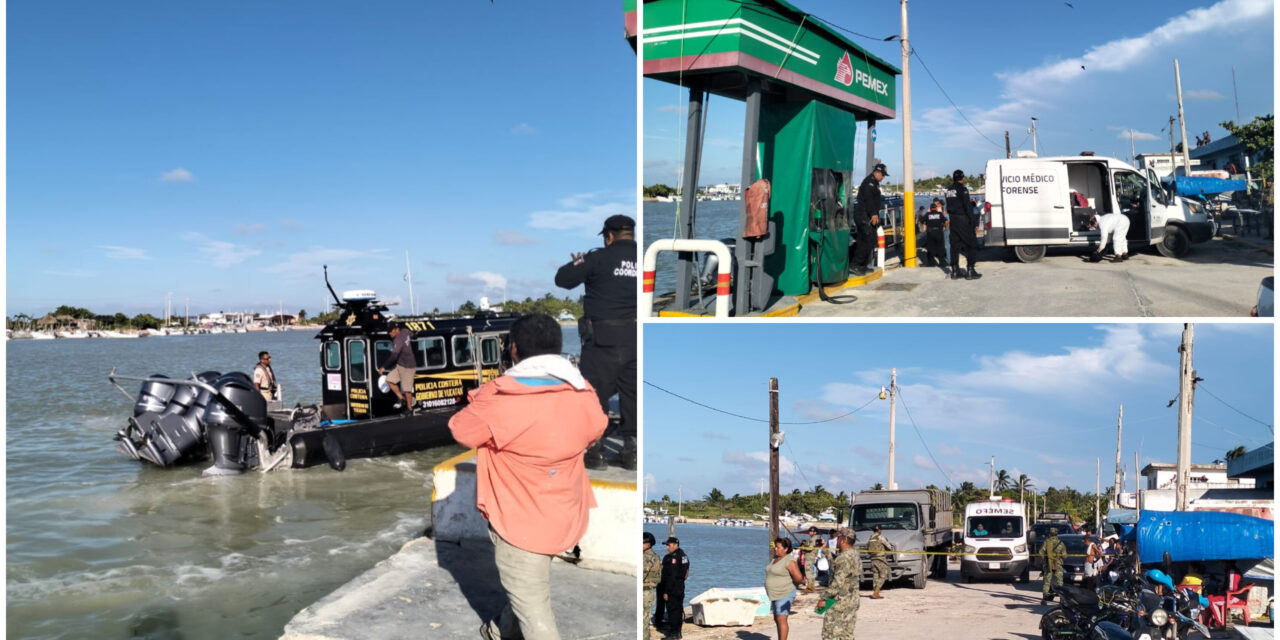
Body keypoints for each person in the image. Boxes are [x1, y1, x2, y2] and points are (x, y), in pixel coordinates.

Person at [447, 313, 609, 640]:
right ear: (558, 348)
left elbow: (460, 429)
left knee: (536, 613)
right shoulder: (584, 392)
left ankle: (502, 629)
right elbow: (596, 430)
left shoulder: (501, 397)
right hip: (565, 511)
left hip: (520, 521)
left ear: (514, 350)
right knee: (528, 590)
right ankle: (498, 630)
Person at [555, 214, 637, 471]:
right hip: (636, 339)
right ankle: (631, 453)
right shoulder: (644, 257)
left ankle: (596, 453)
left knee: (592, 396)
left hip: (602, 342)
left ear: (608, 236)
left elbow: (562, 279)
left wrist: (579, 260)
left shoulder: (597, 258)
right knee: (632, 397)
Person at [821, 527, 862, 640]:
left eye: (838, 538)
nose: (836, 540)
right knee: (846, 634)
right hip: (851, 600)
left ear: (843, 540)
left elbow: (837, 583)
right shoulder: (854, 555)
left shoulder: (844, 558)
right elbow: (837, 566)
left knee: (830, 634)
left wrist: (824, 598)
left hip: (839, 602)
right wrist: (825, 551)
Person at [851, 163, 888, 276]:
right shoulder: (869, 183)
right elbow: (869, 199)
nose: (883, 177)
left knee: (863, 240)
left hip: (865, 215)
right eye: (882, 175)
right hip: (864, 215)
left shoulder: (873, 182)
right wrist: (873, 214)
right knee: (869, 240)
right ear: (877, 173)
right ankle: (855, 264)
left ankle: (861, 265)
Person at [945, 169, 982, 280]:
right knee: (971, 244)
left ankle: (955, 271)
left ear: (953, 178)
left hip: (953, 220)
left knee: (954, 246)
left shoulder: (948, 190)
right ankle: (970, 270)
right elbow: (968, 207)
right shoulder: (963, 189)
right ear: (962, 178)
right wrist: (974, 222)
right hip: (963, 219)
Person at [766, 538, 805, 640]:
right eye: (775, 546)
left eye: (778, 547)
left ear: (786, 549)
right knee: (777, 618)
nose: (775, 549)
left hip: (785, 593)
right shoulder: (775, 558)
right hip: (774, 594)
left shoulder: (789, 560)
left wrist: (793, 586)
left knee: (781, 618)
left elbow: (798, 578)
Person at [376, 324, 416, 412]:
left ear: (396, 330)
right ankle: (402, 399)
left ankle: (409, 409)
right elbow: (413, 335)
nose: (389, 334)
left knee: (407, 390)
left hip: (408, 367)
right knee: (389, 380)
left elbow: (394, 356)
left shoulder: (397, 339)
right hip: (400, 365)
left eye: (390, 332)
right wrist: (415, 334)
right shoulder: (405, 331)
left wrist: (383, 367)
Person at [660, 536, 690, 640]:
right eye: (667, 545)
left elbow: (671, 576)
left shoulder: (673, 558)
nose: (667, 547)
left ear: (676, 545)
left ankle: (674, 633)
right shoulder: (683, 555)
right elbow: (686, 573)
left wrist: (666, 591)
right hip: (680, 586)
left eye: (669, 545)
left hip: (672, 587)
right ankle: (678, 632)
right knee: (678, 609)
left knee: (672, 610)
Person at [921, 198, 949, 271]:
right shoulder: (939, 214)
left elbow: (921, 220)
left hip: (930, 232)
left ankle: (931, 262)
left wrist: (924, 226)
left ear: (930, 208)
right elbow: (946, 221)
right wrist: (946, 228)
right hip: (939, 232)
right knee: (940, 247)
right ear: (936, 208)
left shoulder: (927, 214)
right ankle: (942, 262)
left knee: (930, 248)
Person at [1041, 527, 1067, 604]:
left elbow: (1041, 552)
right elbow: (1065, 555)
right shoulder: (1061, 543)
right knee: (1059, 582)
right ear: (1057, 534)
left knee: (1047, 581)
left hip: (1048, 564)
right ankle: (1061, 599)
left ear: (1050, 534)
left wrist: (1045, 560)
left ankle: (1044, 599)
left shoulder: (1046, 542)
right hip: (1058, 564)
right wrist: (1059, 559)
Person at [643, 532, 662, 634]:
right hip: (649, 591)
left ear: (649, 544)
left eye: (643, 543)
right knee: (644, 620)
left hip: (646, 591)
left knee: (643, 622)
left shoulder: (647, 556)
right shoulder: (654, 555)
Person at [867, 524, 893, 599]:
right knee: (883, 575)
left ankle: (875, 591)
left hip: (873, 559)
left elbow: (867, 548)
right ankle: (876, 592)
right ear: (879, 530)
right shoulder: (880, 537)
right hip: (880, 559)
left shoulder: (870, 538)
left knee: (875, 575)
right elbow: (889, 547)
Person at [804, 526, 823, 592]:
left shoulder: (813, 539)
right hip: (810, 556)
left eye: (812, 531)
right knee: (810, 571)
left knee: (808, 571)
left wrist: (804, 547)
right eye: (810, 531)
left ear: (815, 532)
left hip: (810, 556)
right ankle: (811, 585)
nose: (810, 532)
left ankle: (810, 586)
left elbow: (810, 548)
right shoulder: (812, 538)